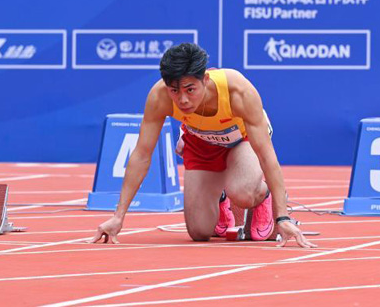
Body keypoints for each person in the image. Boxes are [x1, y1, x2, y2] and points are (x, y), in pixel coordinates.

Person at [91, 43, 315, 248]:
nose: (183, 100)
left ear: (205, 79)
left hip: (241, 140)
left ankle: (263, 196)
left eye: (190, 89)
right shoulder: (159, 97)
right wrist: (118, 217)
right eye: (174, 90)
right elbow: (142, 154)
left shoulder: (238, 92)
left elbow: (266, 155)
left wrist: (283, 217)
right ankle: (221, 199)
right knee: (199, 232)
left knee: (243, 192)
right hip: (202, 143)